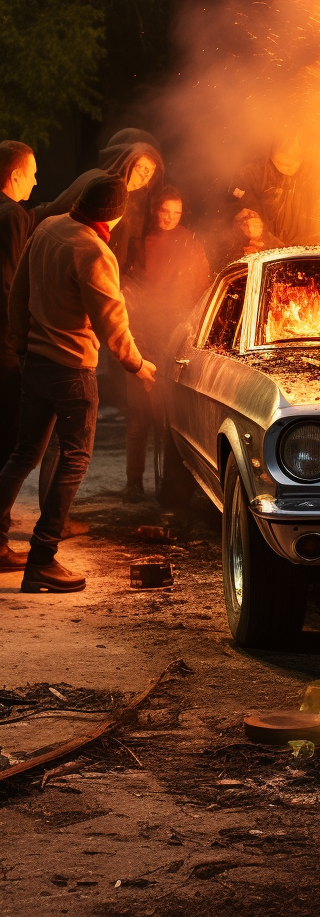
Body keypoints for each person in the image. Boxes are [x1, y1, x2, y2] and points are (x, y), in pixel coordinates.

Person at [0, 176, 156, 587]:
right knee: (74, 459)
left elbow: (17, 291)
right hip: (71, 371)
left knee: (23, 454)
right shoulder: (93, 250)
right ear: (116, 215)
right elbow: (112, 321)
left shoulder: (48, 227)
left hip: (35, 362)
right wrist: (136, 364)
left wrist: (20, 343)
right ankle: (42, 560)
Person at [122, 186, 210, 501]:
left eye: (176, 213)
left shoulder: (190, 243)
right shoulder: (138, 241)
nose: (170, 219)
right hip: (142, 335)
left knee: (169, 416)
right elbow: (130, 287)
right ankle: (133, 483)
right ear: (155, 211)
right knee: (138, 414)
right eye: (165, 212)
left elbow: (201, 286)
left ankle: (170, 485)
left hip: (176, 336)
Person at [37, 137, 163, 273]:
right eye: (140, 168)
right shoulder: (104, 188)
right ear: (127, 163)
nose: (144, 177)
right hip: (66, 264)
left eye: (149, 172)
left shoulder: (120, 192)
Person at [0, 142, 37, 473]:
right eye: (32, 174)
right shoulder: (12, 215)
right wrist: (21, 338)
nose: (35, 182)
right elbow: (8, 282)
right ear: (15, 175)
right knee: (8, 431)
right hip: (3, 342)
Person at [231, 139, 313, 246]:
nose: (287, 168)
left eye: (294, 162)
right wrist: (249, 225)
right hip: (266, 252)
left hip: (305, 253)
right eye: (281, 163)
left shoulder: (317, 176)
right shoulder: (253, 171)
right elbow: (235, 207)